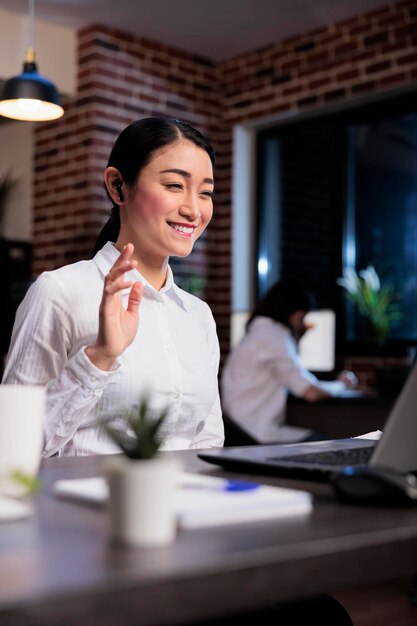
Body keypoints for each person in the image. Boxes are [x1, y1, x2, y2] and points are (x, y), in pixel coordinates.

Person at [2, 117, 224, 457]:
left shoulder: (198, 316)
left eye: (205, 192)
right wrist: (100, 356)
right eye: (174, 186)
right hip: (80, 508)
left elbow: (208, 444)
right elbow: (11, 448)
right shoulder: (60, 292)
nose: (193, 209)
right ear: (118, 186)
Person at [221, 279, 358, 444]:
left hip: (240, 428)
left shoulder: (260, 332)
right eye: (302, 318)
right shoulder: (274, 337)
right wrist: (342, 384)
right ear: (293, 313)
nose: (302, 325)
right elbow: (311, 393)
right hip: (255, 432)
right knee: (330, 445)